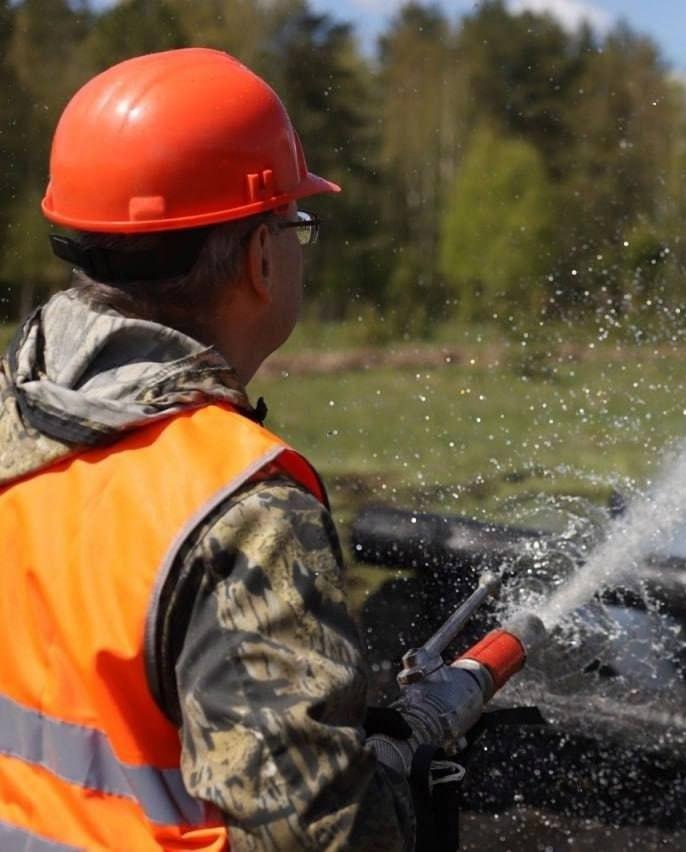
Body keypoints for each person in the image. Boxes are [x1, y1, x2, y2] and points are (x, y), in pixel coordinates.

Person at [0, 48, 428, 850]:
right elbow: (310, 838)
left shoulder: (15, 419)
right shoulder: (242, 512)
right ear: (262, 260)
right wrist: (394, 794)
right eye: (296, 223)